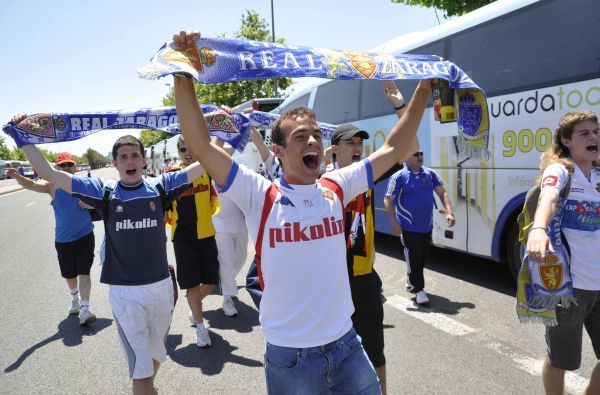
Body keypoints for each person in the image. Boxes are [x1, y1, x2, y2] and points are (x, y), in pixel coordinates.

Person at [172, 29, 432, 394]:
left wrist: (424, 91)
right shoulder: (259, 193)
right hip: (290, 359)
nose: (312, 140)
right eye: (299, 136)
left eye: (315, 135)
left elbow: (395, 148)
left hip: (347, 345)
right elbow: (199, 143)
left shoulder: (337, 185)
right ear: (277, 151)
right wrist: (184, 72)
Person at [10, 121, 206, 395]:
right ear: (115, 163)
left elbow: (207, 161)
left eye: (135, 155)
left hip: (161, 289)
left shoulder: (160, 187)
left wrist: (227, 131)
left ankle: (147, 384)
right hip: (126, 295)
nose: (130, 161)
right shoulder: (104, 192)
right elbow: (49, 173)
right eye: (123, 157)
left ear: (144, 160)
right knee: (141, 377)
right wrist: (24, 139)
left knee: (155, 356)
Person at [325, 81, 409, 395]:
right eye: (350, 142)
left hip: (363, 278)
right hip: (331, 282)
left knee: (374, 350)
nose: (358, 146)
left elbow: (407, 148)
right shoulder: (320, 181)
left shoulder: (365, 174)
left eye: (360, 141)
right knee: (331, 355)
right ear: (335, 148)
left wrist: (400, 107)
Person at [526, 111, 600, 395]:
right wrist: (538, 228)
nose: (593, 137)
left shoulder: (598, 176)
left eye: (596, 131)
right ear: (567, 141)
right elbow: (548, 197)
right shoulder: (560, 171)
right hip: (569, 287)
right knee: (561, 361)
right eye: (584, 133)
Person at [4, 152, 97, 325]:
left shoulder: (84, 185)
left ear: (75, 166)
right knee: (69, 275)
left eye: (70, 165)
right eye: (63, 165)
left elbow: (101, 200)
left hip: (85, 236)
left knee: (84, 272)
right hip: (63, 240)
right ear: (57, 168)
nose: (67, 168)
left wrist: (90, 204)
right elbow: (32, 185)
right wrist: (18, 177)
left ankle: (85, 309)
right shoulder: (52, 186)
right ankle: (74, 299)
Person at [165, 136, 220, 347]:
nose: (187, 153)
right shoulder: (172, 175)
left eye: (191, 149)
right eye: (182, 149)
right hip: (183, 238)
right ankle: (200, 326)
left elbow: (221, 150)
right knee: (191, 284)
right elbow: (164, 206)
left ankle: (194, 305)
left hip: (207, 233)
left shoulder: (206, 169)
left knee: (211, 282)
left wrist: (219, 128)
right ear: (178, 152)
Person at [384, 148, 455, 305]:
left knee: (421, 256)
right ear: (406, 158)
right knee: (415, 256)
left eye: (421, 154)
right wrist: (394, 222)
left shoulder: (430, 174)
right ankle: (419, 290)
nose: (420, 156)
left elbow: (442, 193)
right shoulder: (399, 176)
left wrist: (450, 212)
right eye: (416, 154)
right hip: (408, 226)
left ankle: (411, 281)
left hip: (426, 225)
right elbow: (388, 199)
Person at [211, 138, 249, 318]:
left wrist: (243, 129)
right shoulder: (209, 171)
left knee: (241, 257)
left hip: (239, 223)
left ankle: (226, 280)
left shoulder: (237, 171)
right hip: (219, 225)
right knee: (226, 261)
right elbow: (214, 149)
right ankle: (228, 297)